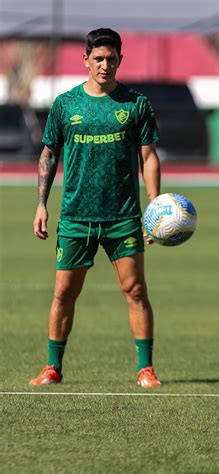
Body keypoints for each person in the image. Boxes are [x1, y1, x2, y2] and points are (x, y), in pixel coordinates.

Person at [30, 28, 161, 388]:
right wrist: (41, 204)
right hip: (75, 216)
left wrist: (154, 209)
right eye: (98, 58)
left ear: (121, 59)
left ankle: (145, 369)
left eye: (112, 58)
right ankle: (53, 367)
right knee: (63, 293)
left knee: (135, 290)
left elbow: (148, 157)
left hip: (123, 217)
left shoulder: (136, 104)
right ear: (85, 59)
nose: (105, 65)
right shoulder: (65, 104)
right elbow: (49, 153)